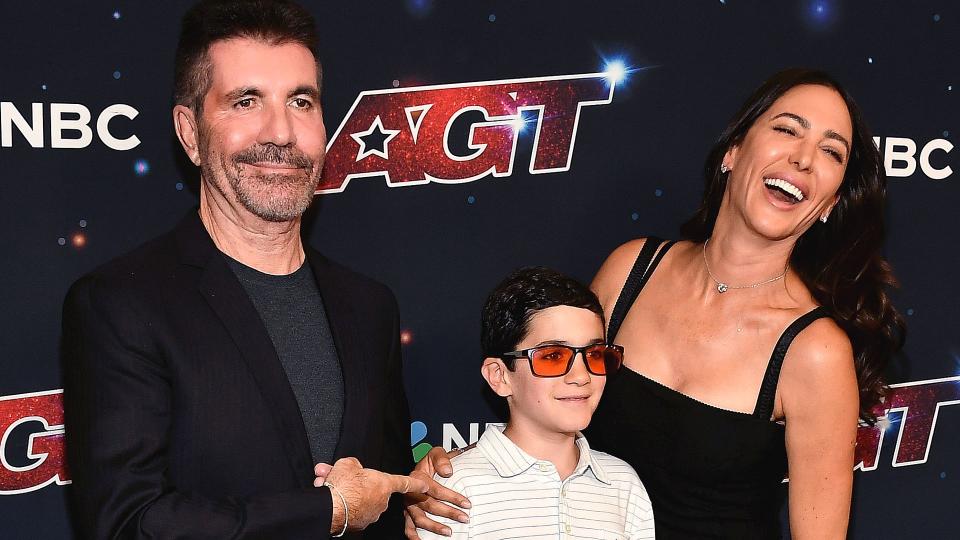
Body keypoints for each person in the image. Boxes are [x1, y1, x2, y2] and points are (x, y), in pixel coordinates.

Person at [405, 69, 905, 539]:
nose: (803, 158)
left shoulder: (815, 351)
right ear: (733, 150)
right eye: (787, 130)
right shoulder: (630, 270)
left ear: (830, 204)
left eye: (831, 152)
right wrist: (460, 475)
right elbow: (545, 405)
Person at [61, 1, 429, 538]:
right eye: (247, 101)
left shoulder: (370, 306)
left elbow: (379, 492)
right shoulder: (120, 304)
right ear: (190, 132)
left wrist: (411, 496)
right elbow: (127, 524)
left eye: (301, 101)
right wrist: (326, 510)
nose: (281, 132)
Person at [416, 267, 654, 539]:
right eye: (553, 356)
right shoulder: (455, 488)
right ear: (500, 375)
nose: (581, 375)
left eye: (595, 354)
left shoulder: (623, 484)